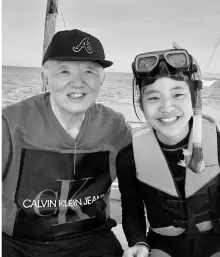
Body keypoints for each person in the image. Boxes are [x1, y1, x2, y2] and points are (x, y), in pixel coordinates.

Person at [2, 29, 131, 257]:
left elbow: (138, 187)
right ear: (45, 76)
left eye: (89, 72)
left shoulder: (115, 127)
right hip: (20, 242)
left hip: (91, 239)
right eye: (64, 71)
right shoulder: (11, 123)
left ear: (102, 79)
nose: (77, 83)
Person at [116, 46, 220, 257]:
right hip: (164, 246)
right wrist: (138, 242)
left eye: (178, 94)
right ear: (141, 105)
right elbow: (132, 209)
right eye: (153, 98)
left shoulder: (216, 141)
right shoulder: (129, 157)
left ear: (194, 100)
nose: (166, 107)